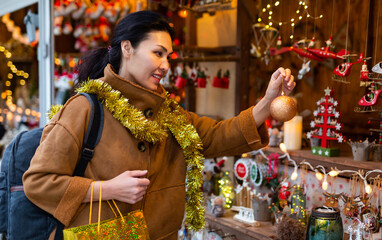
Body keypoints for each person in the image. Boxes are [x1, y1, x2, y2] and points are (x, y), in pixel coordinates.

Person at [23, 11, 295, 240]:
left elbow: (218, 135)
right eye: (157, 53)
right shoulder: (85, 108)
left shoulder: (169, 114)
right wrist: (108, 189)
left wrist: (268, 101)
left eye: (168, 56)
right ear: (127, 48)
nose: (165, 65)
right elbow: (38, 182)